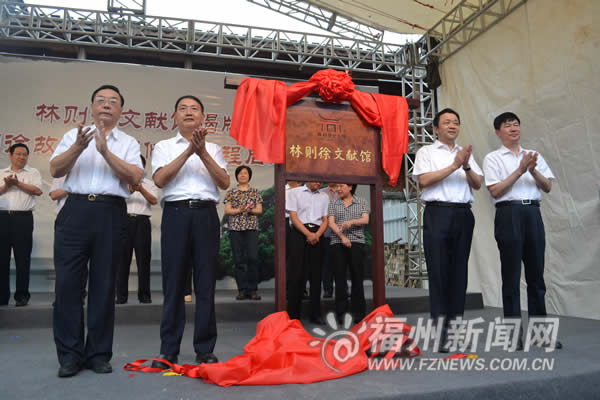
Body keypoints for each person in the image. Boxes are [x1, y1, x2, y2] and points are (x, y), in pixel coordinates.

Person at [50, 85, 144, 378]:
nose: (106, 105)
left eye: (113, 101)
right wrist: (80, 146)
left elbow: (135, 176)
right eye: (101, 100)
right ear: (91, 107)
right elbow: (55, 169)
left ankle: (99, 354)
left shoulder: (127, 141)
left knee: (104, 287)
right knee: (67, 286)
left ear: (120, 110)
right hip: (74, 211)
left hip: (111, 212)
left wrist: (105, 151)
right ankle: (69, 355)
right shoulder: (72, 135)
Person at [150, 95, 229, 368]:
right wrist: (188, 151)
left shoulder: (215, 148)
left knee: (205, 284)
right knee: (173, 284)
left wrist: (203, 151)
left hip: (206, 215)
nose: (188, 112)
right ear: (174, 117)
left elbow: (224, 182)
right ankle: (168, 351)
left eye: (194, 109)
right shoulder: (163, 146)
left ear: (203, 117)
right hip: (176, 214)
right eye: (182, 108)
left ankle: (205, 349)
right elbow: (159, 180)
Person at [483, 112, 562, 350]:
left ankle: (541, 335)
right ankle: (512, 335)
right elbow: (495, 191)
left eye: (516, 124)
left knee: (536, 276)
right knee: (511, 276)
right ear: (498, 132)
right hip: (509, 214)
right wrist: (519, 170)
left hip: (532, 213)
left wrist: (532, 169)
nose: (513, 128)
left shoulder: (533, 155)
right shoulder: (493, 158)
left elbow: (547, 186)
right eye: (507, 126)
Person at [412, 108, 483, 352]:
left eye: (456, 122)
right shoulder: (426, 152)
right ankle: (440, 333)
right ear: (435, 128)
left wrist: (465, 166)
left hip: (463, 214)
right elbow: (423, 181)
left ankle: (455, 331)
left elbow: (478, 184)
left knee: (458, 274)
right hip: (437, 213)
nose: (452, 126)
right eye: (447, 122)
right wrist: (454, 166)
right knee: (439, 273)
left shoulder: (465, 153)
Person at [0, 143, 42, 307]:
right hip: (2, 218)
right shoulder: (2, 172)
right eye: (18, 154)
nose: (21, 157)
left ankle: (22, 296)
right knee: (1, 259)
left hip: (23, 219)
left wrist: (18, 184)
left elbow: (38, 191)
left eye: (24, 154)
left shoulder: (33, 172)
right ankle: (2, 296)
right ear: (10, 156)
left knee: (23, 259)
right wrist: (6, 185)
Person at [116, 155, 158, 304]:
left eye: (140, 165)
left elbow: (154, 200)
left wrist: (141, 189)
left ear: (144, 167)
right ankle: (121, 296)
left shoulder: (149, 183)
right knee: (122, 260)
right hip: (124, 220)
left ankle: (144, 295)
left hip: (142, 222)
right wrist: (129, 190)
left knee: (143, 259)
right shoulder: (121, 182)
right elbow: (116, 200)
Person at [287, 181, 329, 325]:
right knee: (297, 274)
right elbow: (293, 216)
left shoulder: (324, 196)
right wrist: (307, 234)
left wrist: (316, 235)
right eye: (315, 180)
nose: (318, 183)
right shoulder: (295, 192)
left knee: (316, 276)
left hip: (318, 234)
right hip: (299, 234)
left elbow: (325, 220)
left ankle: (315, 314)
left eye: (320, 182)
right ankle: (293, 315)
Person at [327, 184, 370, 323]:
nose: (338, 189)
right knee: (340, 279)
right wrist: (343, 237)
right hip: (338, 242)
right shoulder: (333, 203)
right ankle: (341, 314)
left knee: (357, 277)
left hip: (357, 242)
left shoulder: (362, 201)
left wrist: (351, 222)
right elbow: (331, 223)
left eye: (341, 186)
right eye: (337, 187)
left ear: (350, 187)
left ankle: (359, 313)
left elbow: (365, 219)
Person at [224, 165, 263, 300]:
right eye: (240, 173)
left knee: (252, 258)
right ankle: (242, 290)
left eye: (245, 173)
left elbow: (259, 210)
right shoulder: (231, 192)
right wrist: (240, 210)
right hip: (235, 228)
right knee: (239, 260)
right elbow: (228, 210)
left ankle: (253, 290)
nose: (243, 175)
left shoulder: (255, 192)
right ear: (237, 176)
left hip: (251, 228)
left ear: (249, 176)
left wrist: (249, 210)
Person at [49, 177, 87, 304]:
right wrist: (72, 187)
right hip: (64, 220)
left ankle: (80, 295)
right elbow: (54, 195)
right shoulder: (62, 172)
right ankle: (60, 296)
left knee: (82, 262)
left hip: (85, 220)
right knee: (61, 262)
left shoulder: (90, 172)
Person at [321, 183, 339, 299]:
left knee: (341, 263)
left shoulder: (344, 190)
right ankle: (327, 290)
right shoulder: (322, 192)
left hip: (342, 233)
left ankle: (343, 289)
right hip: (326, 232)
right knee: (326, 263)